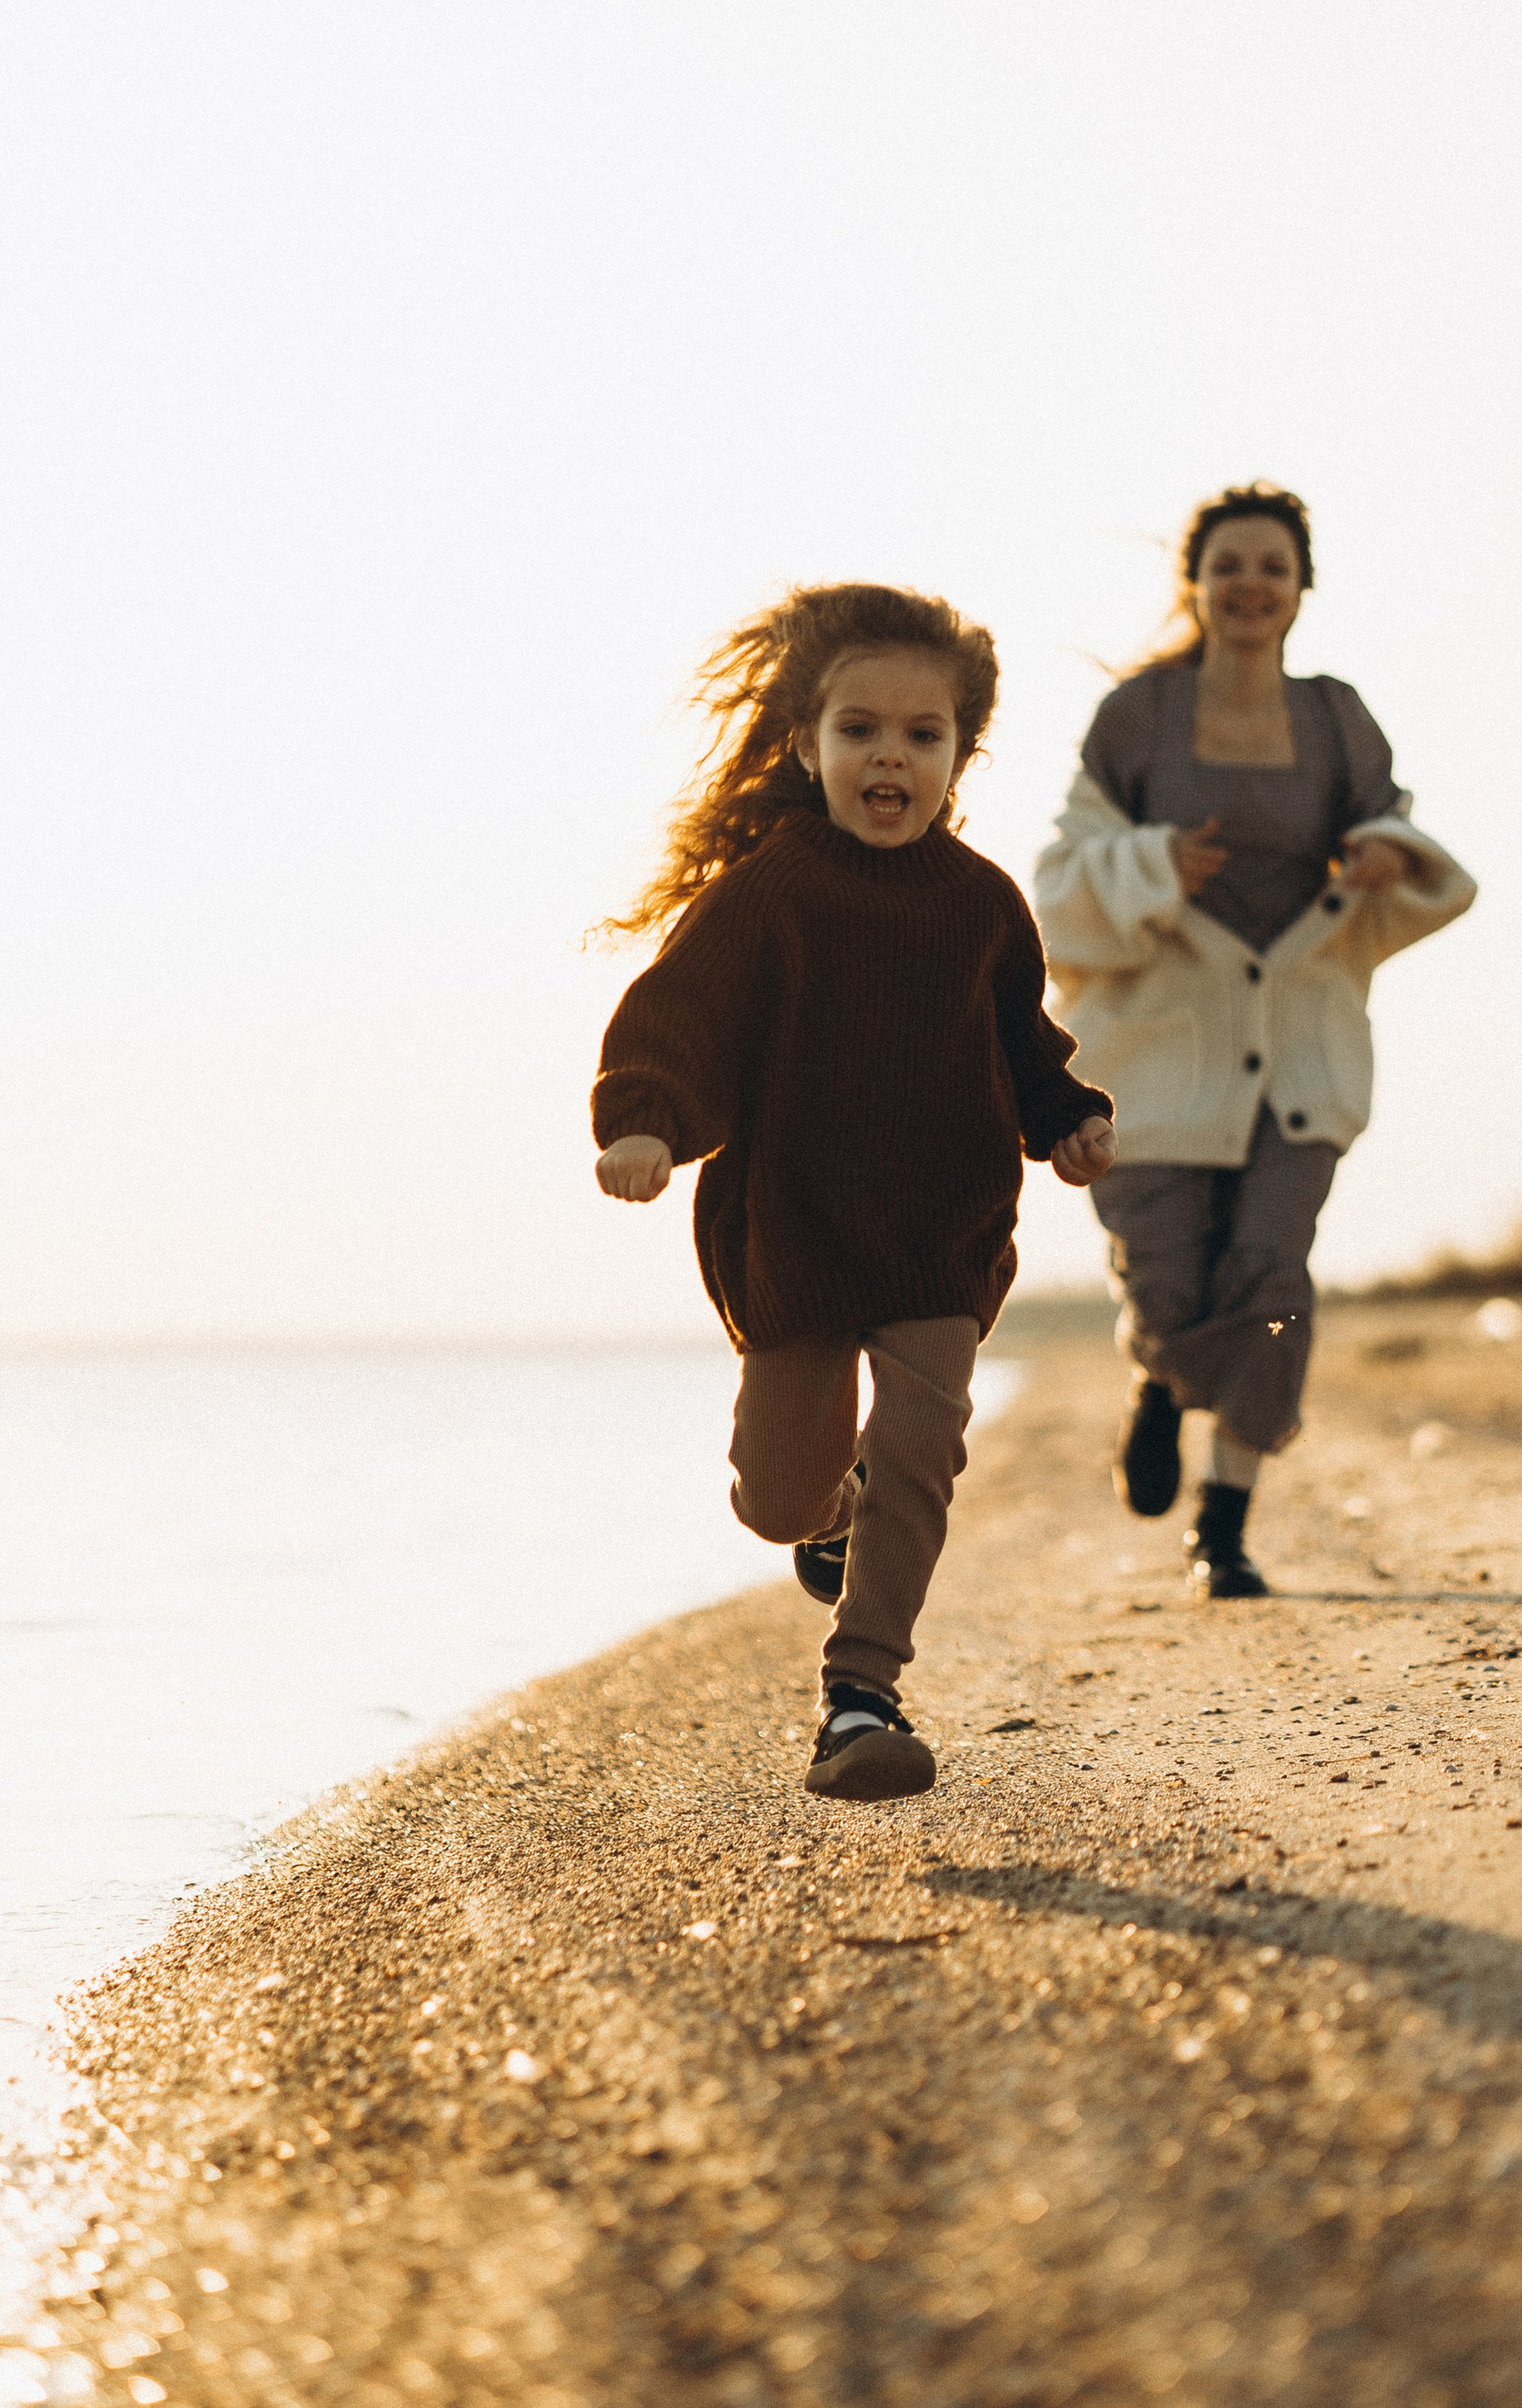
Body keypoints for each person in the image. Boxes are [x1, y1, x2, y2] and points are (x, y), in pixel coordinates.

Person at [592, 583, 1115, 1800]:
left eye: (922, 736)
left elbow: (1024, 1042)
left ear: (958, 754)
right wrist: (644, 1127)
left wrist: (1073, 1120)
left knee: (923, 1445)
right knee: (773, 1501)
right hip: (801, 1236)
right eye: (860, 730)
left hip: (944, 1231)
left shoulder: (983, 903)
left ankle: (861, 1693)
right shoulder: (773, 892)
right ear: (806, 743)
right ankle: (830, 1517)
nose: (891, 756)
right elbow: (676, 1022)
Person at [1034, 484, 1474, 1597]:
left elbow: (1400, 833)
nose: (1249, 585)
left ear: (1301, 587)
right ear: (1195, 582)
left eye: (1272, 567)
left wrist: (1378, 851)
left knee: (1272, 1280)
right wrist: (1150, 869)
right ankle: (1160, 1376)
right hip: (1155, 1059)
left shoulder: (1337, 717)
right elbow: (1061, 879)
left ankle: (1220, 1531)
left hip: (1298, 1055)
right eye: (1227, 565)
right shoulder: (1138, 719)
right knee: (1173, 1289)